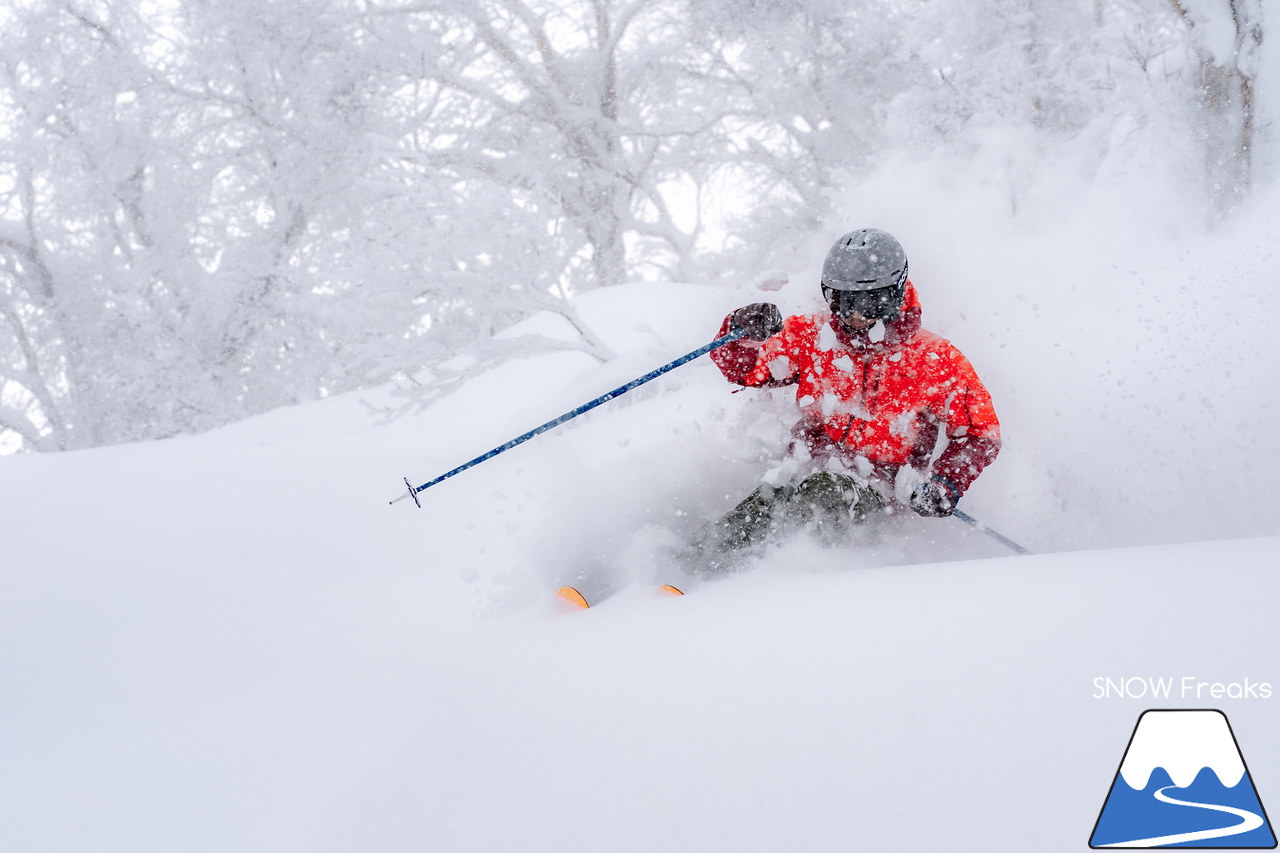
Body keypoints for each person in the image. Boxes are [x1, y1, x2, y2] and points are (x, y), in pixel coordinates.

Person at [686, 228, 1001, 572]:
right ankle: (689, 572)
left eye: (867, 302)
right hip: (807, 465)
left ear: (895, 294)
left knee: (824, 493)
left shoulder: (933, 359)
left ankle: (783, 583)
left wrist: (945, 483)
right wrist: (743, 332)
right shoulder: (813, 335)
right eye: (841, 299)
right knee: (765, 503)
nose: (853, 314)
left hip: (878, 490)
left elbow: (980, 433)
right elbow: (746, 369)